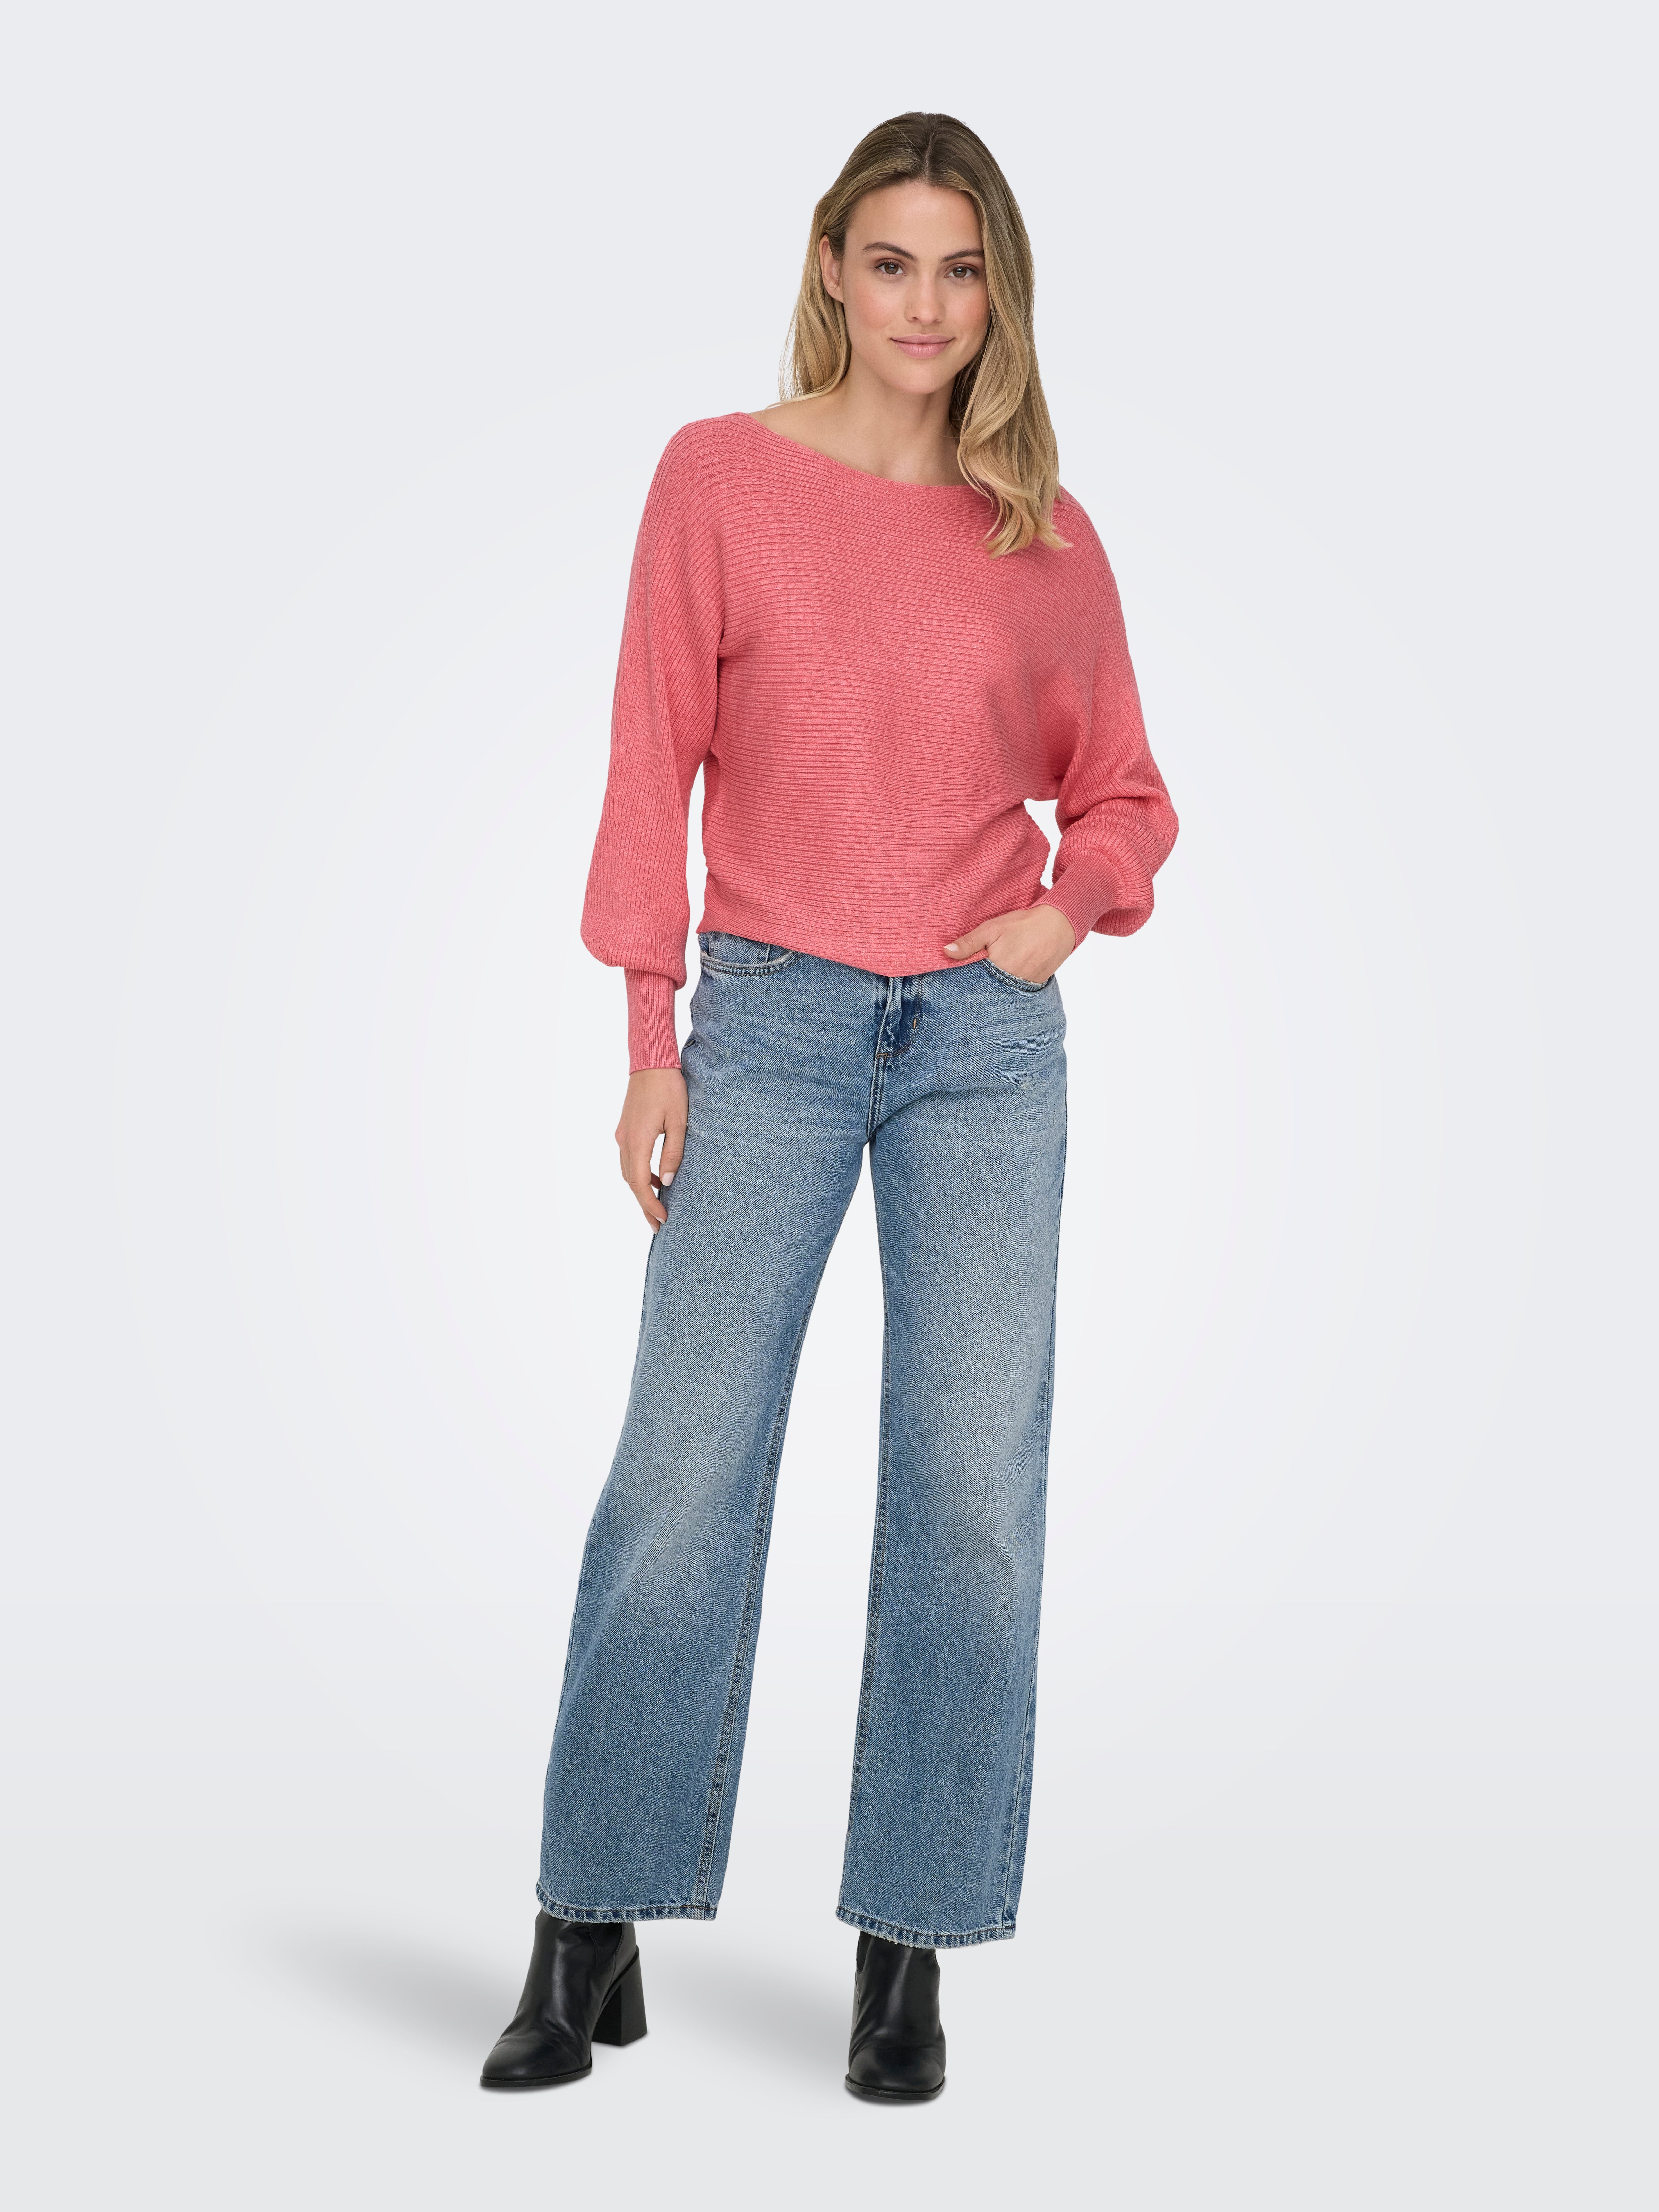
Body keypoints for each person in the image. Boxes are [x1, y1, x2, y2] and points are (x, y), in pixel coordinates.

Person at [481, 110, 1178, 2103]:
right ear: (832, 269)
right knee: (684, 1469)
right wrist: (649, 1031)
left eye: (962, 271)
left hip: (981, 1041)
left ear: (999, 293)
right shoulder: (719, 479)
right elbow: (654, 755)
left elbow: (1129, 791)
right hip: (771, 1025)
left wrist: (1065, 911)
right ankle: (588, 1921)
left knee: (969, 1497)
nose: (926, 308)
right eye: (894, 265)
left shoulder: (1044, 531)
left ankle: (908, 1953)